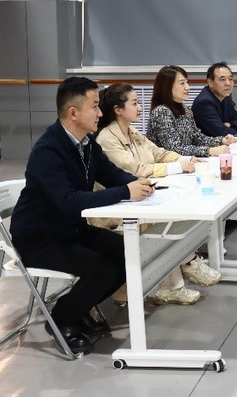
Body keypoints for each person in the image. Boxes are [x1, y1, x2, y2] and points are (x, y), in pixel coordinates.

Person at [10, 77, 153, 354]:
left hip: (71, 230)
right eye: (95, 106)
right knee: (101, 267)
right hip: (38, 239)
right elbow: (68, 202)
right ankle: (61, 318)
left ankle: (78, 309)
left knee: (129, 251)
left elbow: (111, 174)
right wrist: (126, 191)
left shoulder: (86, 142)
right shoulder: (48, 150)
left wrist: (139, 183)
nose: (100, 112)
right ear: (73, 112)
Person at [94, 83, 221, 305]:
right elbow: (136, 169)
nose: (140, 107)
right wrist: (178, 167)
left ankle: (179, 275)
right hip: (114, 210)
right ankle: (183, 269)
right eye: (135, 103)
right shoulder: (107, 139)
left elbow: (158, 153)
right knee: (166, 219)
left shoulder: (132, 132)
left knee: (177, 211)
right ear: (118, 109)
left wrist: (185, 160)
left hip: (136, 198)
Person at [146, 65, 237, 157]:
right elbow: (173, 148)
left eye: (187, 82)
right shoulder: (161, 112)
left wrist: (221, 140)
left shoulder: (185, 109)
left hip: (185, 162)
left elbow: (197, 137)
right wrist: (209, 151)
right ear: (167, 86)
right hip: (164, 164)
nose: (187, 87)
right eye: (182, 83)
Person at [192, 62, 237, 137]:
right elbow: (222, 132)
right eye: (222, 79)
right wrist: (233, 128)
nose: (228, 83)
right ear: (210, 82)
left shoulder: (225, 97)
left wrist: (230, 124)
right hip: (207, 143)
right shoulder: (204, 102)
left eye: (230, 79)